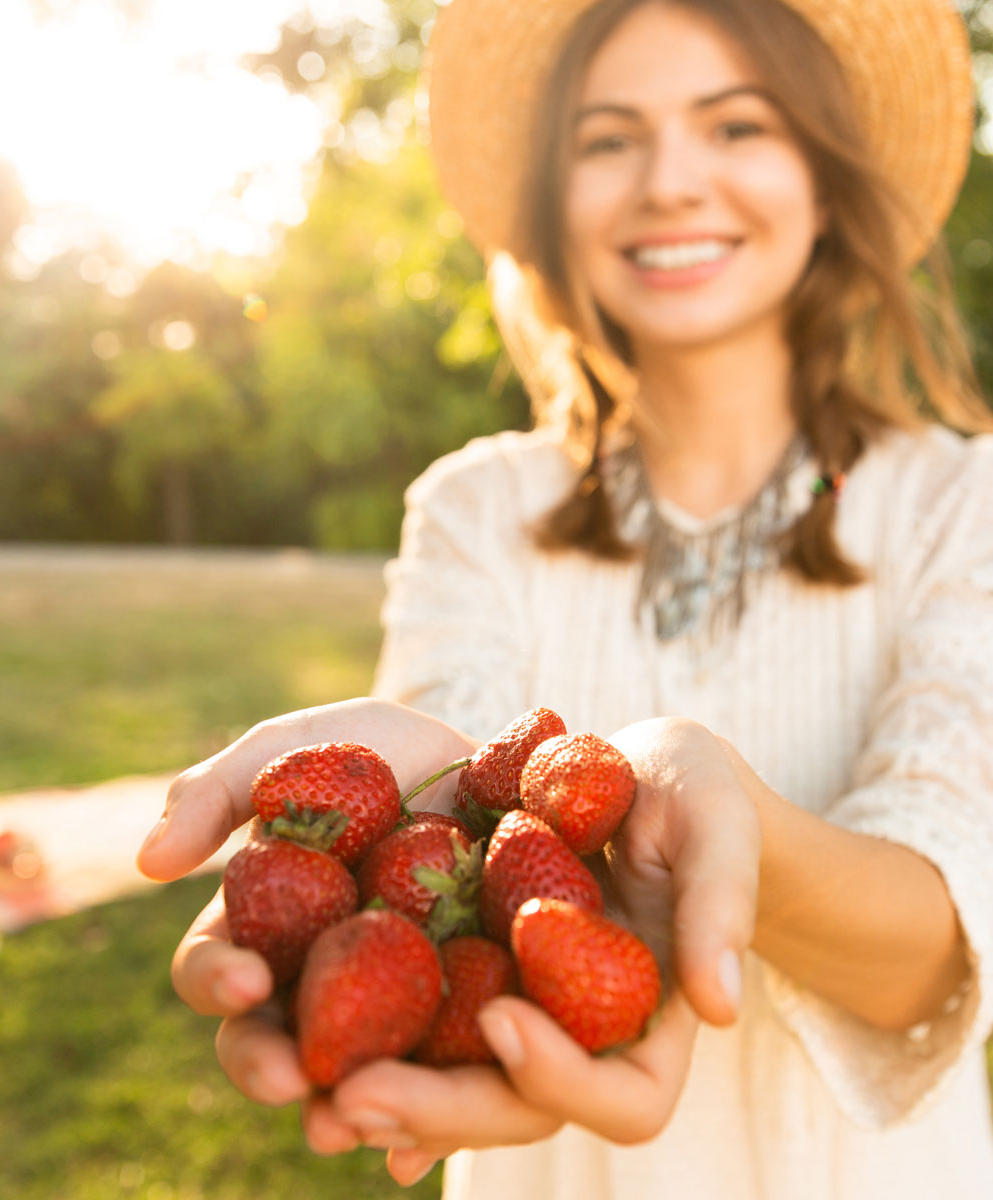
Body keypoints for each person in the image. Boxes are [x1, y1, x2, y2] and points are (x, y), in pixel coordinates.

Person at [136, 0, 993, 1195]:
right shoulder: (474, 507)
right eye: (607, 140)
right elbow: (451, 800)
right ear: (551, 209)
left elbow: (935, 953)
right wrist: (402, 825)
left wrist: (723, 814)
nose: (670, 182)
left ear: (826, 178)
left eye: (737, 126)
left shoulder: (965, 503)